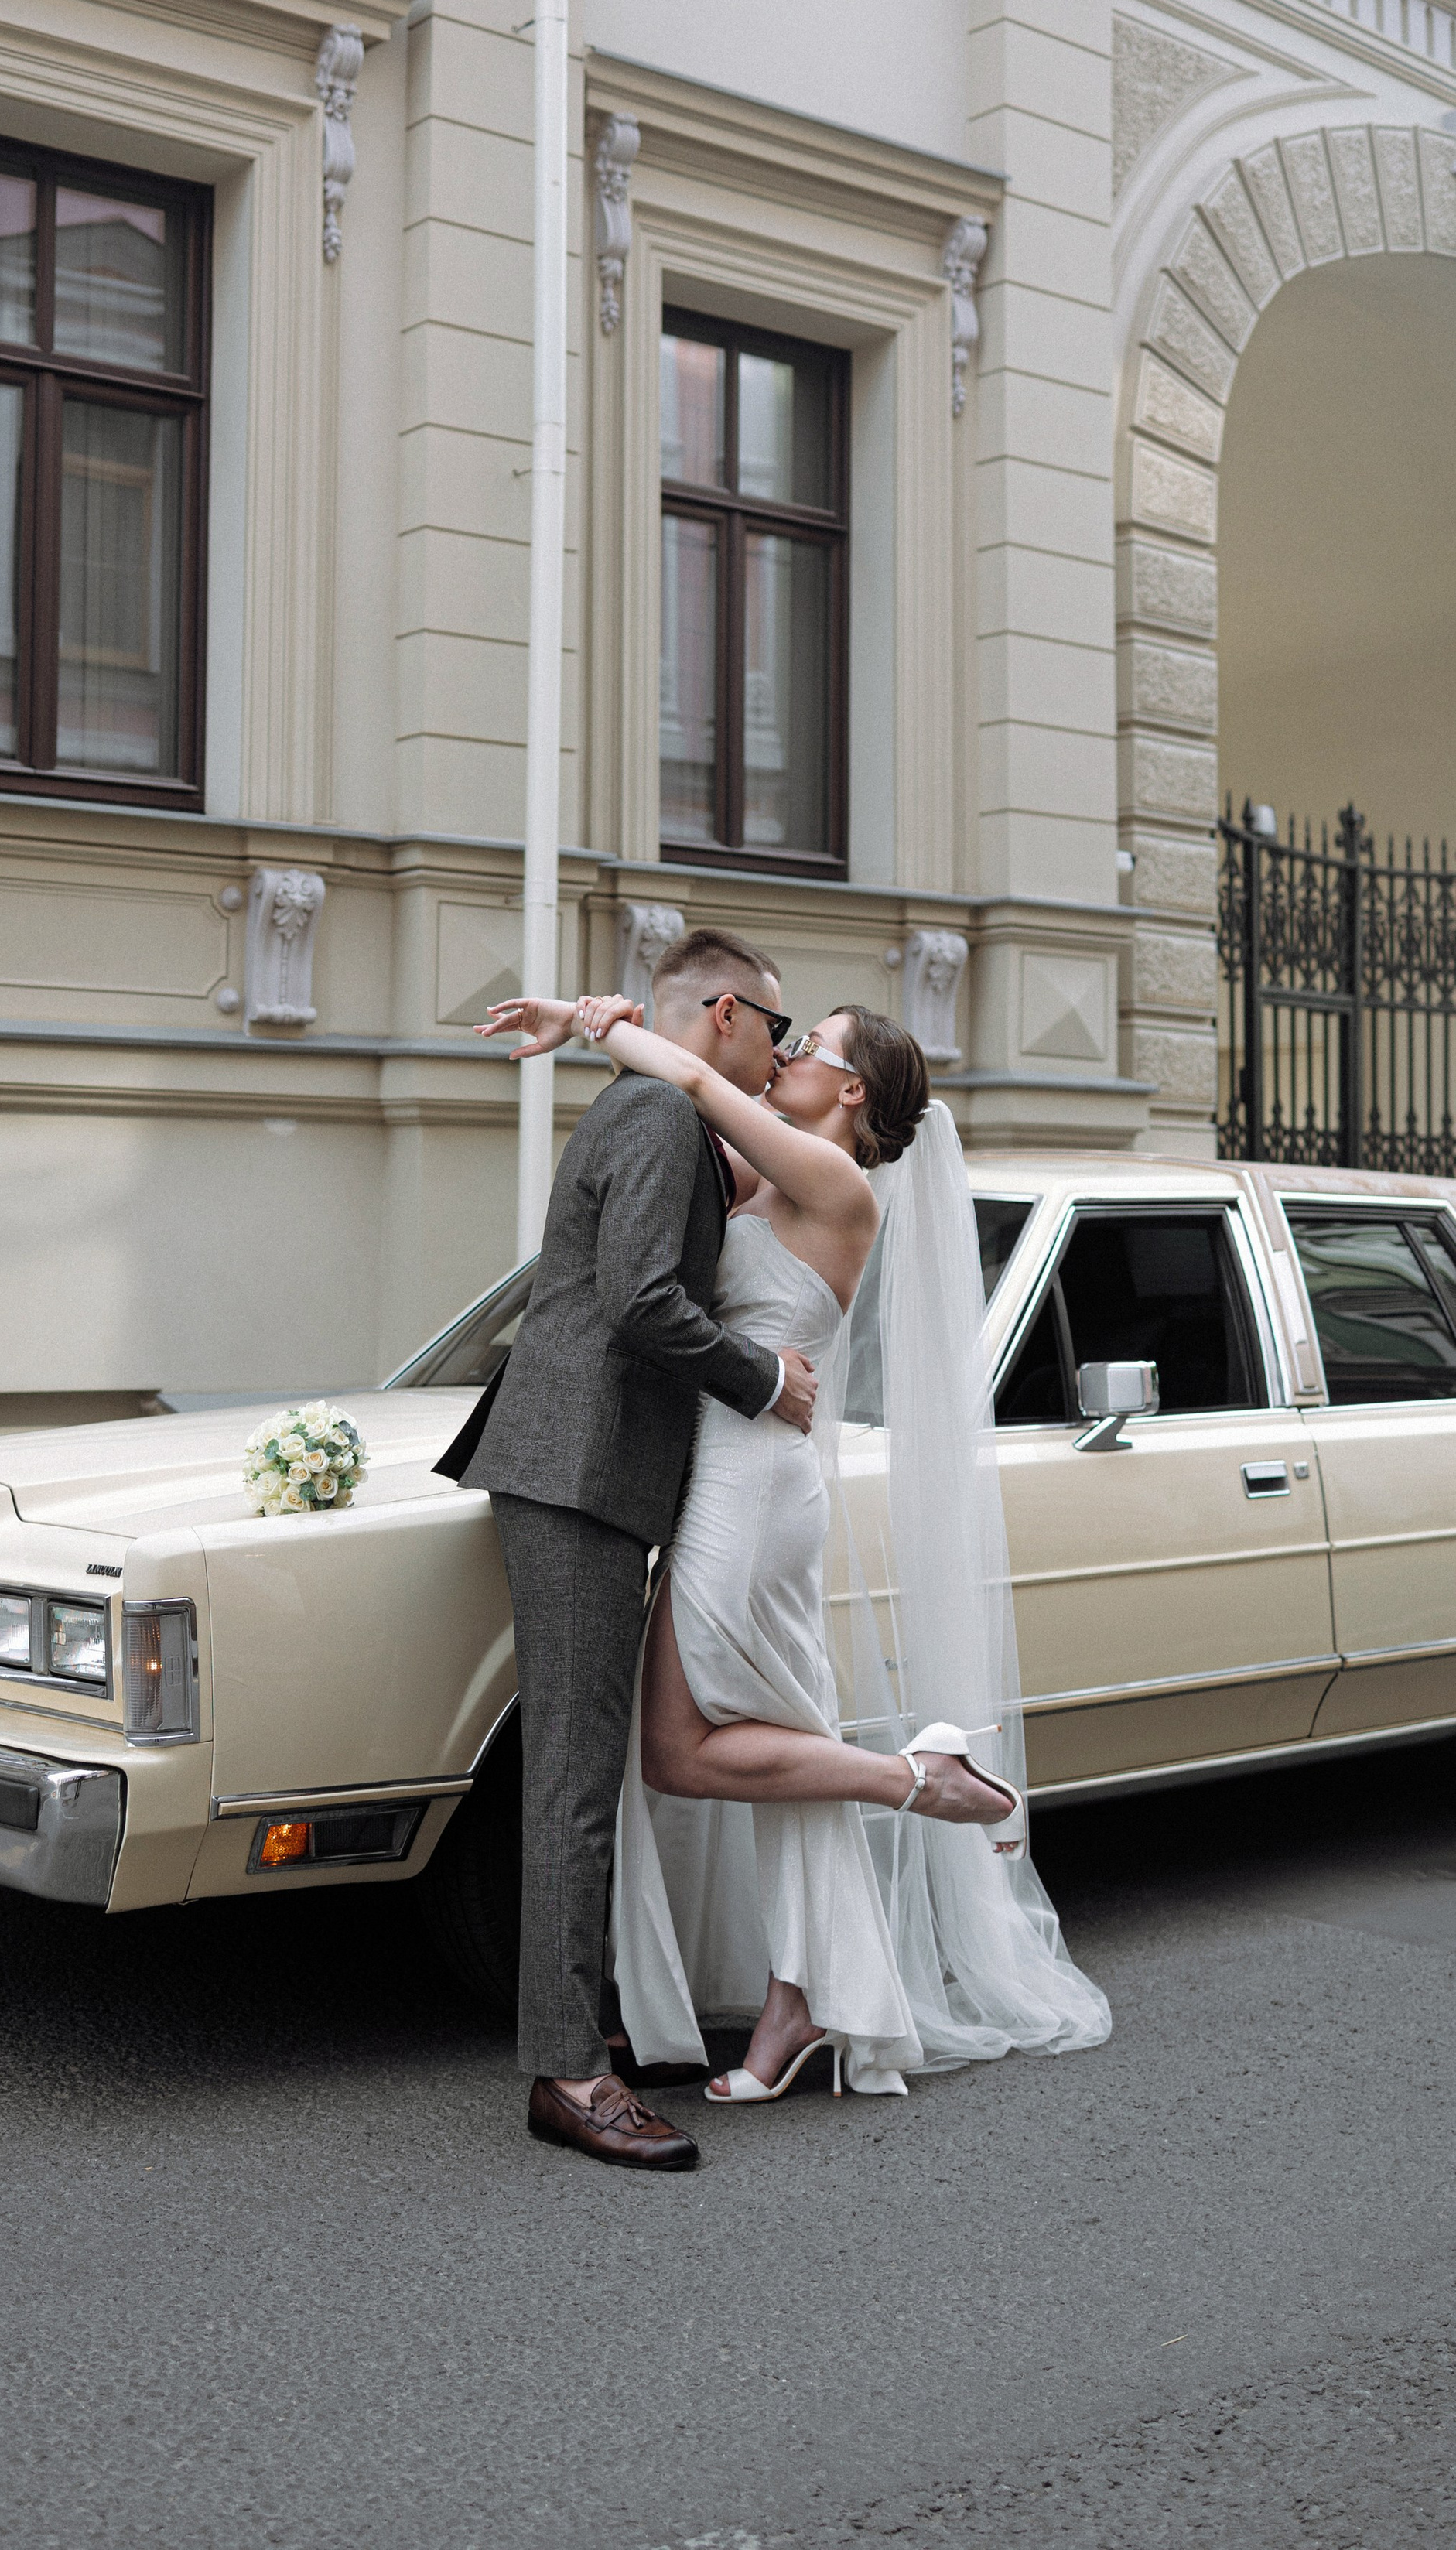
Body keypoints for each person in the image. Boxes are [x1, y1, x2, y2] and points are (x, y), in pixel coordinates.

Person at [482, 978, 1112, 2114]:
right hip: (721, 1478)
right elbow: (654, 1215)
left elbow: (689, 1076)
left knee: (678, 1752)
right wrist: (604, 1028)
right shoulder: (767, 1170)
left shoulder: (833, 1179)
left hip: (752, 1490)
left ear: (850, 1087)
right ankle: (801, 1995)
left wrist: (594, 1020)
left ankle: (920, 1780)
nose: (787, 1055)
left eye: (807, 1044)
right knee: (772, 1738)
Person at [436, 927, 825, 2172]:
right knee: (574, 1773)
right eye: (778, 1026)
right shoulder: (661, 1119)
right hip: (581, 1470)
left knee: (578, 1765)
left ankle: (583, 2027)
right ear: (724, 1013)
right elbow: (644, 1301)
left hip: (581, 1466)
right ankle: (571, 2073)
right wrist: (768, 1379)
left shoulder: (650, 1099)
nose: (784, 1049)